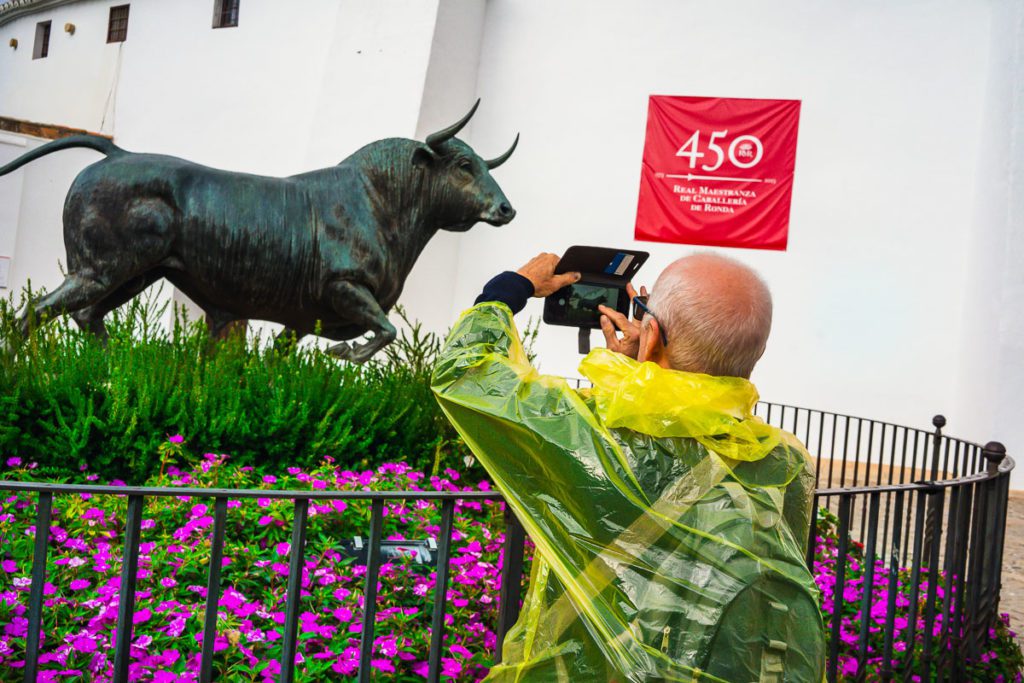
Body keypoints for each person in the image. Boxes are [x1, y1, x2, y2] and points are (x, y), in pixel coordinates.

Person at [431, 252, 825, 682]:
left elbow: (465, 372)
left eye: (644, 311)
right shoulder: (781, 459)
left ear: (651, 333)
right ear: (759, 349)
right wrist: (639, 372)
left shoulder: (591, 432)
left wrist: (513, 285)